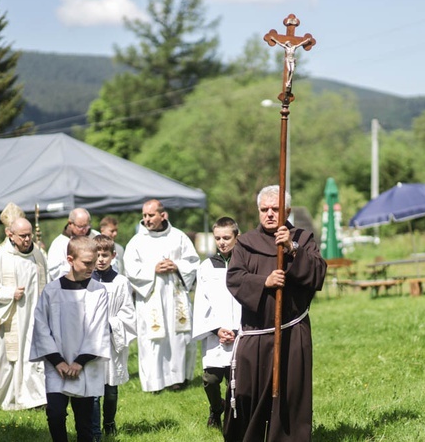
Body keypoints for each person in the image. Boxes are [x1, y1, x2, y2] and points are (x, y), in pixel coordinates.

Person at [224, 186, 327, 442]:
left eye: (276, 209)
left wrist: (292, 249)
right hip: (257, 332)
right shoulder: (246, 243)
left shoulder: (302, 238)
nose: (269, 214)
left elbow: (317, 273)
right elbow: (235, 278)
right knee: (247, 392)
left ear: (287, 211)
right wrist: (264, 282)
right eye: (264, 209)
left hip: (292, 331)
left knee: (290, 394)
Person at [30, 236, 110, 442]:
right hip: (57, 365)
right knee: (55, 414)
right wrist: (58, 361)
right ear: (70, 259)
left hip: (85, 365)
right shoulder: (51, 290)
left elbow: (98, 329)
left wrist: (79, 362)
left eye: (94, 261)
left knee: (84, 424)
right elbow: (41, 327)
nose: (92, 267)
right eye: (86, 262)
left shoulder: (98, 292)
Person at [124, 199, 199, 393]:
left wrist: (177, 266)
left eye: (151, 215)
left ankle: (178, 379)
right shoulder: (137, 241)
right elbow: (131, 270)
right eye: (144, 215)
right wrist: (153, 269)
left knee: (178, 337)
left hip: (176, 297)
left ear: (162, 215)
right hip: (151, 298)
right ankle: (154, 382)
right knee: (153, 339)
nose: (146, 219)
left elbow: (192, 261)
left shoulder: (179, 237)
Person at [0, 217, 48, 412]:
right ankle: (9, 400)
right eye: (23, 236)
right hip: (10, 316)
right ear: (10, 235)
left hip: (34, 316)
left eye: (29, 235)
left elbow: (47, 282)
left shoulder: (38, 253)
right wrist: (10, 293)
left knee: (33, 357)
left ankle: (35, 399)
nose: (28, 240)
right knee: (10, 359)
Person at [192, 217, 242, 428]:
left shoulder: (246, 263)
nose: (222, 242)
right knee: (211, 380)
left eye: (227, 237)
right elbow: (201, 303)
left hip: (240, 333)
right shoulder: (207, 266)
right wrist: (216, 329)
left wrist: (238, 329)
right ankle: (216, 407)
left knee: (236, 382)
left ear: (236, 237)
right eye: (218, 238)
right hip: (215, 335)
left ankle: (234, 421)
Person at [90, 234, 136, 439]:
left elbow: (128, 313)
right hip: (89, 341)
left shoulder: (121, 282)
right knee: (92, 389)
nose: (101, 259)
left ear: (113, 255)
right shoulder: (85, 280)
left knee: (110, 388)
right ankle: (93, 427)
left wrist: (111, 325)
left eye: (105, 255)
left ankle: (109, 423)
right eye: (97, 254)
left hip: (111, 340)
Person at [47, 208, 92, 281]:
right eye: (80, 227)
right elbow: (55, 271)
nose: (84, 230)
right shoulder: (59, 243)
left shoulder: (94, 236)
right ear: (70, 223)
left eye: (87, 226)